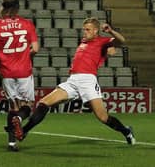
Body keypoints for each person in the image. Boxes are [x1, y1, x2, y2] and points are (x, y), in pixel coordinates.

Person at [12, 17, 136, 146]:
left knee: (103, 117)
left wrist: (110, 31)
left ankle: (126, 131)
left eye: (88, 30)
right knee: (43, 103)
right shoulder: (83, 42)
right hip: (72, 80)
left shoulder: (102, 41)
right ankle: (24, 131)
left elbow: (121, 41)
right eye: (84, 30)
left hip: (88, 80)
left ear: (95, 31)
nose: (85, 32)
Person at [0, 0, 39, 152]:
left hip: (7, 72)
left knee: (12, 107)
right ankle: (19, 120)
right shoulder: (27, 24)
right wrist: (26, 55)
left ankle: (12, 142)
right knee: (27, 106)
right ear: (18, 7)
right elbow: (35, 48)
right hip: (24, 71)